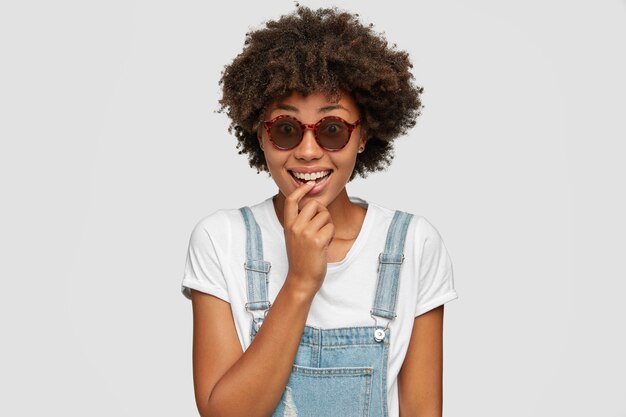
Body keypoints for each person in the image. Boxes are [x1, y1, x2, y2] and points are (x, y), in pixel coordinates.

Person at [180, 5, 458, 417]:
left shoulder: (413, 245)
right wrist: (299, 282)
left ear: (362, 136)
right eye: (286, 129)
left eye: (332, 130)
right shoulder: (221, 240)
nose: (308, 152)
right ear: (260, 134)